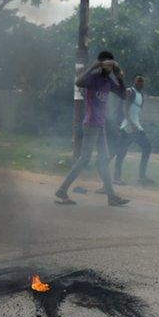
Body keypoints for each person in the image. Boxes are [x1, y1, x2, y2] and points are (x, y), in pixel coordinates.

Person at [55, 50, 129, 206]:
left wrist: (120, 78)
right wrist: (92, 67)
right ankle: (62, 190)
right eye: (107, 64)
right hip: (90, 124)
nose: (109, 67)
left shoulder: (108, 81)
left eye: (111, 64)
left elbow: (123, 95)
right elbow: (78, 82)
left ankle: (111, 197)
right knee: (85, 159)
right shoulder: (93, 78)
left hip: (100, 125)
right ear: (101, 64)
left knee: (103, 161)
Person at [114, 75, 154, 186]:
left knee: (147, 147)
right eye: (138, 81)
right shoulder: (129, 91)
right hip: (128, 127)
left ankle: (142, 176)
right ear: (134, 82)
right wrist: (130, 123)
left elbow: (135, 112)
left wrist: (135, 123)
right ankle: (116, 177)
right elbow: (124, 108)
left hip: (136, 126)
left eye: (142, 81)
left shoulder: (141, 95)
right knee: (122, 152)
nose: (140, 83)